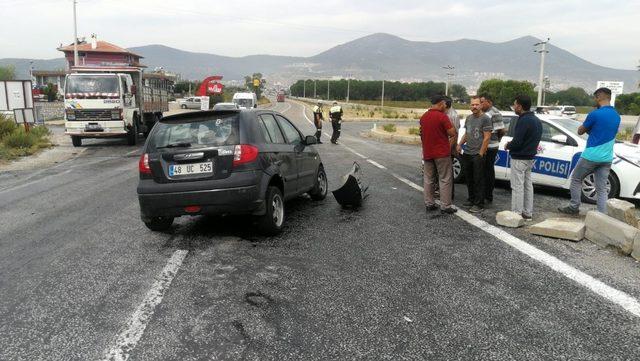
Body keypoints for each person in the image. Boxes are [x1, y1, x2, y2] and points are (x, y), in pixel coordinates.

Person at [558, 88, 621, 214]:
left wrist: (588, 127)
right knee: (602, 188)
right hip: (607, 157)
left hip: (591, 155)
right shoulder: (617, 116)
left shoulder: (595, 114)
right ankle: (602, 215)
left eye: (595, 98)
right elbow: (604, 132)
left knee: (576, 179)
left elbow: (580, 131)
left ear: (598, 97)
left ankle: (574, 207)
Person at [505, 95, 542, 220]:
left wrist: (508, 145)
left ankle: (516, 214)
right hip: (530, 157)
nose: (514, 107)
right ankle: (527, 213)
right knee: (527, 185)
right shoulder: (536, 120)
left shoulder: (523, 120)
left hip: (519, 158)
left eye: (515, 104)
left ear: (520, 106)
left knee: (517, 186)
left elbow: (517, 141)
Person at [420, 95, 458, 214]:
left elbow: (421, 134)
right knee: (445, 179)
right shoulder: (443, 117)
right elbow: (452, 133)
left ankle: (429, 203)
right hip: (441, 153)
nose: (445, 106)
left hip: (427, 152)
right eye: (445, 104)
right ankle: (445, 206)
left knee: (428, 179)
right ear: (441, 103)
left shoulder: (424, 117)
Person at [456, 96, 492, 213]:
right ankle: (471, 199)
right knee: (469, 178)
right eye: (472, 105)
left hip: (478, 154)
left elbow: (487, 138)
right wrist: (460, 144)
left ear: (481, 105)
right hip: (467, 152)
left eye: (476, 104)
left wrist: (481, 153)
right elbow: (467, 134)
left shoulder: (485, 119)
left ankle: (479, 203)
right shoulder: (469, 118)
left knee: (478, 179)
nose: (474, 107)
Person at [479, 94, 505, 204]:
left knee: (488, 171)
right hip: (482, 145)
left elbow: (501, 130)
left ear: (489, 102)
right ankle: (481, 193)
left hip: (491, 147)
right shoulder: (483, 113)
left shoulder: (495, 113)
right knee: (482, 171)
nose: (480, 104)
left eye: (482, 102)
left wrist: (496, 140)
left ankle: (488, 195)